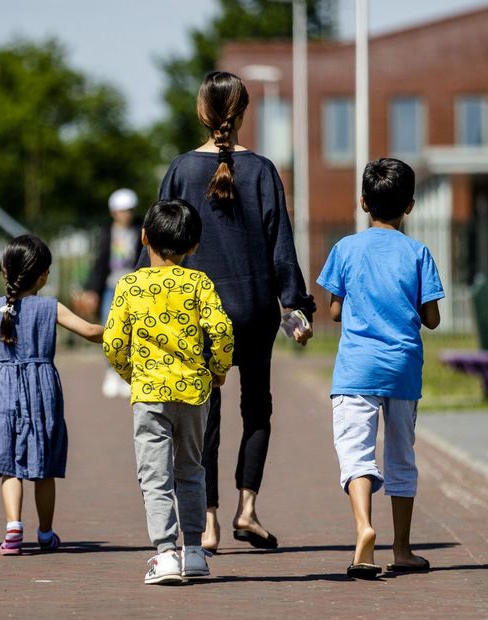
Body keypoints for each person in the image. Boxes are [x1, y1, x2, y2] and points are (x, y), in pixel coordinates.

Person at [153, 71, 315, 553]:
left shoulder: (180, 170)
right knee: (258, 409)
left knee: (205, 417)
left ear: (202, 114)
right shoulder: (264, 170)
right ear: (243, 113)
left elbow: (160, 244)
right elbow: (281, 247)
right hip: (254, 310)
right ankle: (248, 508)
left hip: (197, 313)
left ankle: (208, 522)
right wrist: (296, 307)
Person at [316, 158, 442, 580]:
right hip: (403, 368)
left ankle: (363, 532)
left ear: (363, 202)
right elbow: (432, 318)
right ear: (410, 205)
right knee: (401, 456)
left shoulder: (345, 249)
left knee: (356, 452)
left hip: (356, 369)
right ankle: (403, 549)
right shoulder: (418, 252)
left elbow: (333, 311)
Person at [104, 199, 234, 584]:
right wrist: (218, 371)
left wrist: (131, 373)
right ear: (193, 246)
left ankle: (165, 554)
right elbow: (223, 331)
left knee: (154, 476)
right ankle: (194, 550)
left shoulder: (130, 284)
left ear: (144, 238)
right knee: (191, 470)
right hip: (194, 391)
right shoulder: (199, 283)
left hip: (149, 394)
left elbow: (113, 341)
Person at [0, 234, 104, 555]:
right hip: (40, 389)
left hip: (1, 387)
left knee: (10, 464)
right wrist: (126, 328)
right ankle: (46, 533)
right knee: (43, 465)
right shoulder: (50, 307)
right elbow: (91, 332)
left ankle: (13, 528)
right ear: (43, 276)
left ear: (4, 272)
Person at [81, 188, 142, 398]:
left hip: (135, 286)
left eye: (129, 210)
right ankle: (111, 371)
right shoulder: (106, 232)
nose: (125, 215)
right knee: (110, 329)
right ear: (113, 212)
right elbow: (99, 263)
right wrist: (92, 290)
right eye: (121, 210)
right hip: (111, 287)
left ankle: (129, 372)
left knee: (134, 330)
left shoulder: (141, 229)